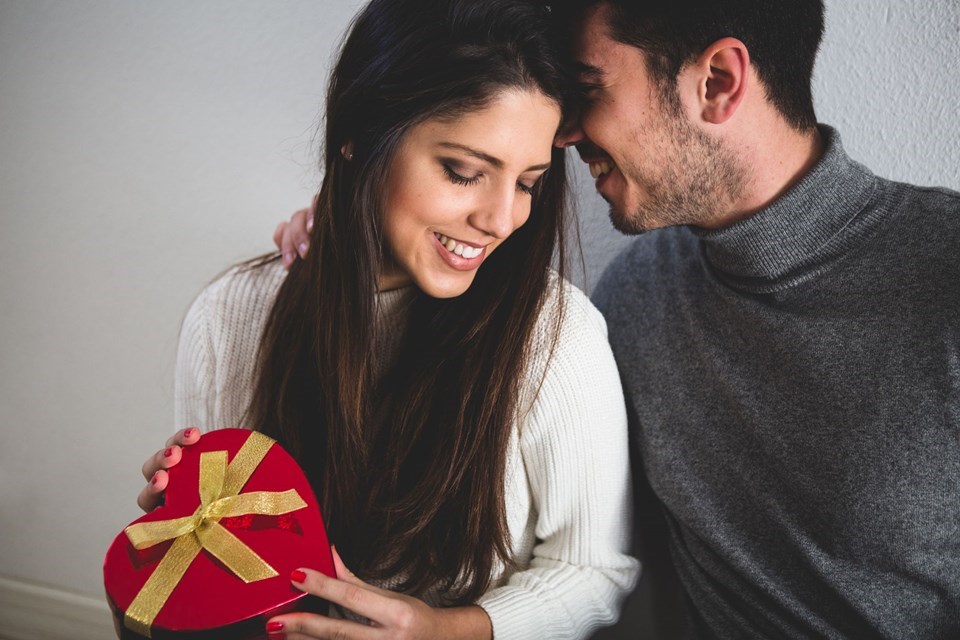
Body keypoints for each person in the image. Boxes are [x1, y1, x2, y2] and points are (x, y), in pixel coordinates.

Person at [278, 0, 960, 637]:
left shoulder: (942, 277)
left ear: (717, 82)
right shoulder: (637, 291)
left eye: (588, 88)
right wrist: (366, 219)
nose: (565, 135)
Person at [138, 1, 640, 639]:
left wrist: (447, 631)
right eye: (463, 172)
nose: (500, 219)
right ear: (358, 133)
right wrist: (182, 530)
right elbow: (224, 564)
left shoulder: (556, 337)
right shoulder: (228, 314)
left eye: (527, 183)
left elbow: (592, 571)